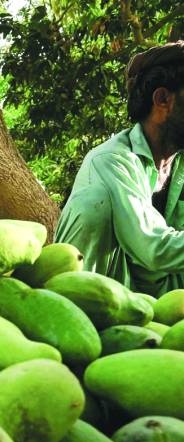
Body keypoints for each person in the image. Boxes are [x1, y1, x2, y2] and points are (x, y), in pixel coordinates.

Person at [55, 41, 184, 296]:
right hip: (109, 295)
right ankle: (77, 303)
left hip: (168, 304)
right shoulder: (111, 159)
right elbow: (154, 248)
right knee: (94, 204)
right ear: (163, 100)